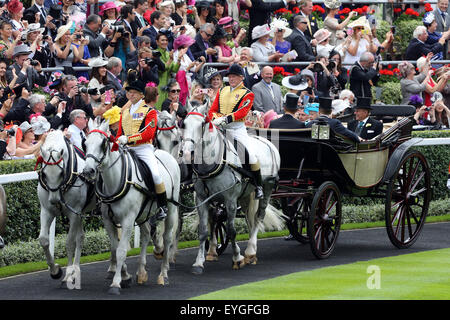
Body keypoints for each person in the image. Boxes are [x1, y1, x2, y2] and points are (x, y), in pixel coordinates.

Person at [116, 77, 168, 221]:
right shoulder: (124, 112)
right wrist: (116, 142)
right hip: (126, 149)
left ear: (141, 95)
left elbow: (148, 134)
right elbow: (120, 133)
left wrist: (128, 139)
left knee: (156, 175)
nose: (131, 95)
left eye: (134, 93)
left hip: (143, 148)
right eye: (129, 93)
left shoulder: (149, 111)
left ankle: (162, 206)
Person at [209, 63, 264, 199]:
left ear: (241, 78)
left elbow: (242, 113)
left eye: (234, 76)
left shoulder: (248, 93)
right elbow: (213, 110)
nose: (231, 79)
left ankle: (258, 186)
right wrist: (215, 118)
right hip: (220, 128)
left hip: (236, 129)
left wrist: (225, 119)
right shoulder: (222, 91)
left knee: (251, 156)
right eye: (229, 76)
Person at [154, 32, 181, 110]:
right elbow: (162, 69)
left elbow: (174, 69)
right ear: (157, 42)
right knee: (159, 108)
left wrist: (179, 59)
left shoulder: (167, 53)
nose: (165, 42)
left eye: (166, 40)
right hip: (159, 86)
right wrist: (170, 59)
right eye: (162, 40)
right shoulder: (155, 54)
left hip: (168, 87)